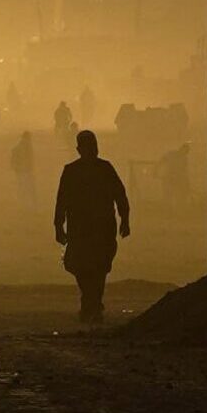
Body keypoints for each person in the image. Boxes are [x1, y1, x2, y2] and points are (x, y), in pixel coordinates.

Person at [53, 130, 130, 324]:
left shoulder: (80, 170)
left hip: (94, 229)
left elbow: (120, 195)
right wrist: (58, 226)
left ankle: (91, 303)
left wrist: (125, 219)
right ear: (80, 149)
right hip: (88, 229)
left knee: (95, 266)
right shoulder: (96, 169)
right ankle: (92, 302)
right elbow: (62, 200)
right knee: (90, 267)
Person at [9, 130, 37, 203]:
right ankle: (29, 201)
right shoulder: (27, 145)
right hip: (25, 169)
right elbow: (29, 158)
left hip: (20, 169)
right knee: (28, 185)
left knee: (22, 185)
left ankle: (22, 199)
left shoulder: (18, 145)